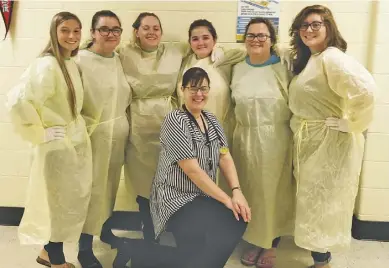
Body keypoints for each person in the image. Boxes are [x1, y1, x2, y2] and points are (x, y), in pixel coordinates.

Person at [112, 67, 250, 268]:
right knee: (196, 250)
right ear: (182, 90)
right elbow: (191, 169)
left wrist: (237, 192)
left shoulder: (211, 120)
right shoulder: (175, 120)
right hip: (175, 198)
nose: (199, 94)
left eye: (203, 88)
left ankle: (135, 250)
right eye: (193, 88)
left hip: (201, 196)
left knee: (237, 219)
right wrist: (226, 199)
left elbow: (225, 156)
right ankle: (138, 251)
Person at [117, 12, 224, 243]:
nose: (152, 32)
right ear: (136, 31)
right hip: (139, 124)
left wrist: (221, 50)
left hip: (171, 120)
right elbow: (101, 50)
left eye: (156, 27)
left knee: (175, 178)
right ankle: (149, 229)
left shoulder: (174, 51)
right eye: (146, 28)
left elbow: (202, 47)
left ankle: (177, 227)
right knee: (143, 181)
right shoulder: (124, 53)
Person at [288, 5, 376, 268]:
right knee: (315, 200)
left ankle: (322, 261)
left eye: (316, 24)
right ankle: (319, 257)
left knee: (323, 201)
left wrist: (352, 124)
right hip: (312, 140)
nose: (309, 30)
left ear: (329, 27)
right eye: (304, 25)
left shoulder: (332, 57)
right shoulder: (313, 59)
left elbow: (366, 91)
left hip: (329, 142)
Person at [6, 12, 92, 268]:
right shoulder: (46, 65)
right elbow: (18, 101)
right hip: (55, 147)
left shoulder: (69, 63)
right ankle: (56, 260)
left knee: (67, 202)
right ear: (54, 33)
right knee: (57, 206)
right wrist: (38, 132)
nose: (72, 36)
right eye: (65, 30)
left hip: (70, 143)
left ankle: (46, 252)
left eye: (77, 31)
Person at [230, 18, 295, 268]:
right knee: (250, 192)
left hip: (275, 140)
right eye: (251, 35)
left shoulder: (284, 67)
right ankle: (254, 238)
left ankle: (270, 244)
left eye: (263, 36)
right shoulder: (237, 68)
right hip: (244, 138)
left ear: (272, 40)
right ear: (244, 39)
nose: (256, 40)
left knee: (272, 194)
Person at [75, 10, 132, 268]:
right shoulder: (79, 61)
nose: (110, 34)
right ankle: (83, 247)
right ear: (92, 33)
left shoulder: (118, 60)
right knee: (90, 190)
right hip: (92, 137)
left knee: (109, 188)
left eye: (116, 30)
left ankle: (103, 230)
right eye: (104, 29)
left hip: (117, 135)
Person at [177, 19, 245, 143]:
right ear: (190, 42)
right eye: (195, 39)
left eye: (206, 37)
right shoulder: (185, 62)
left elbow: (250, 51)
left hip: (218, 132)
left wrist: (279, 49)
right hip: (188, 133)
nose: (200, 42)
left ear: (214, 39)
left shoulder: (224, 59)